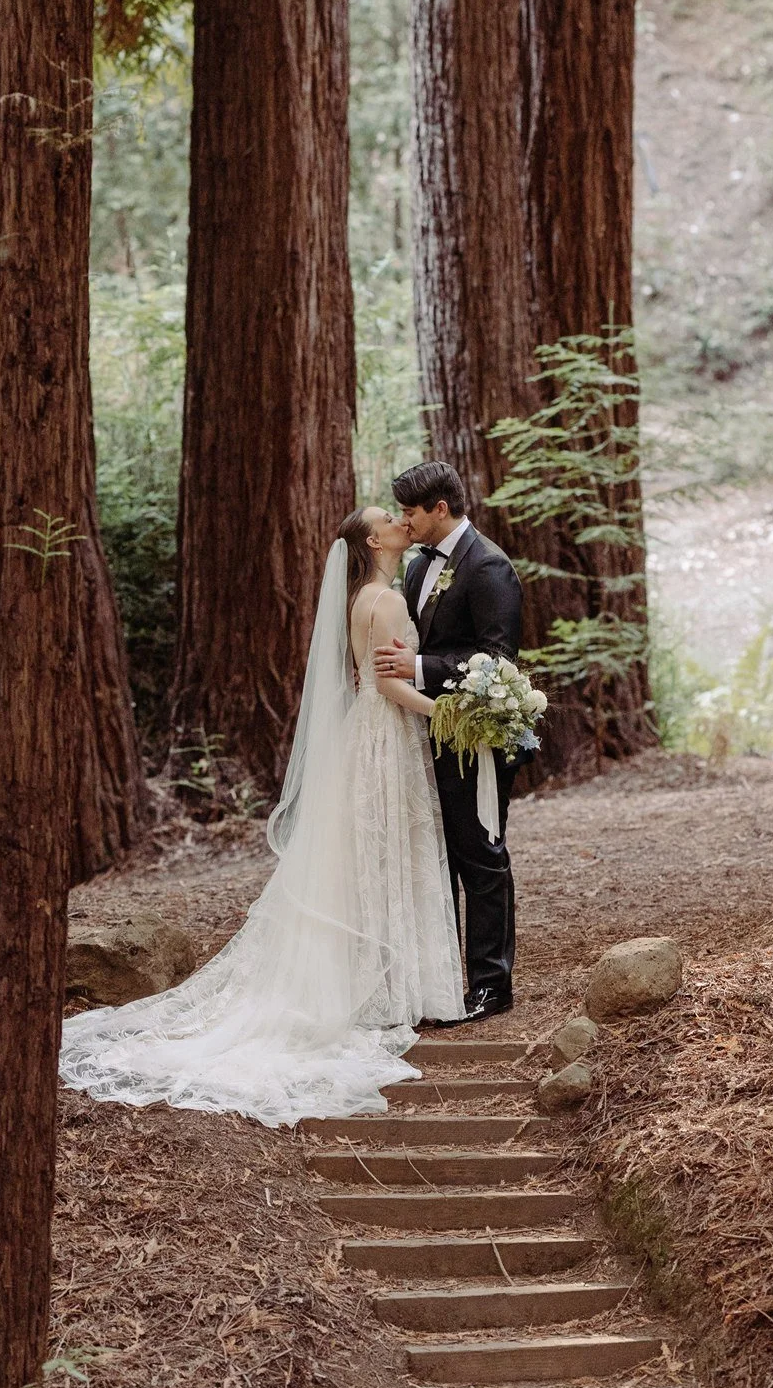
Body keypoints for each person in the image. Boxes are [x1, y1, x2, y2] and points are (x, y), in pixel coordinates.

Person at [58, 508, 464, 1127]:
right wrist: (452, 715)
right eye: (389, 519)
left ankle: (387, 983)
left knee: (372, 854)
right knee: (386, 850)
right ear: (371, 540)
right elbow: (388, 686)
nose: (399, 521)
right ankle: (387, 987)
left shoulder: (366, 595)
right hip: (386, 737)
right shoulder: (381, 600)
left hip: (374, 737)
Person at [373, 460, 524, 1022]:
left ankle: (492, 984)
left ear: (441, 508)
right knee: (435, 858)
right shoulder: (416, 568)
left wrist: (418, 665)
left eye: (412, 511)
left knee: (479, 856)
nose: (405, 522)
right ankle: (440, 982)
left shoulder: (489, 568)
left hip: (475, 737)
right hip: (425, 732)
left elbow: (497, 660)